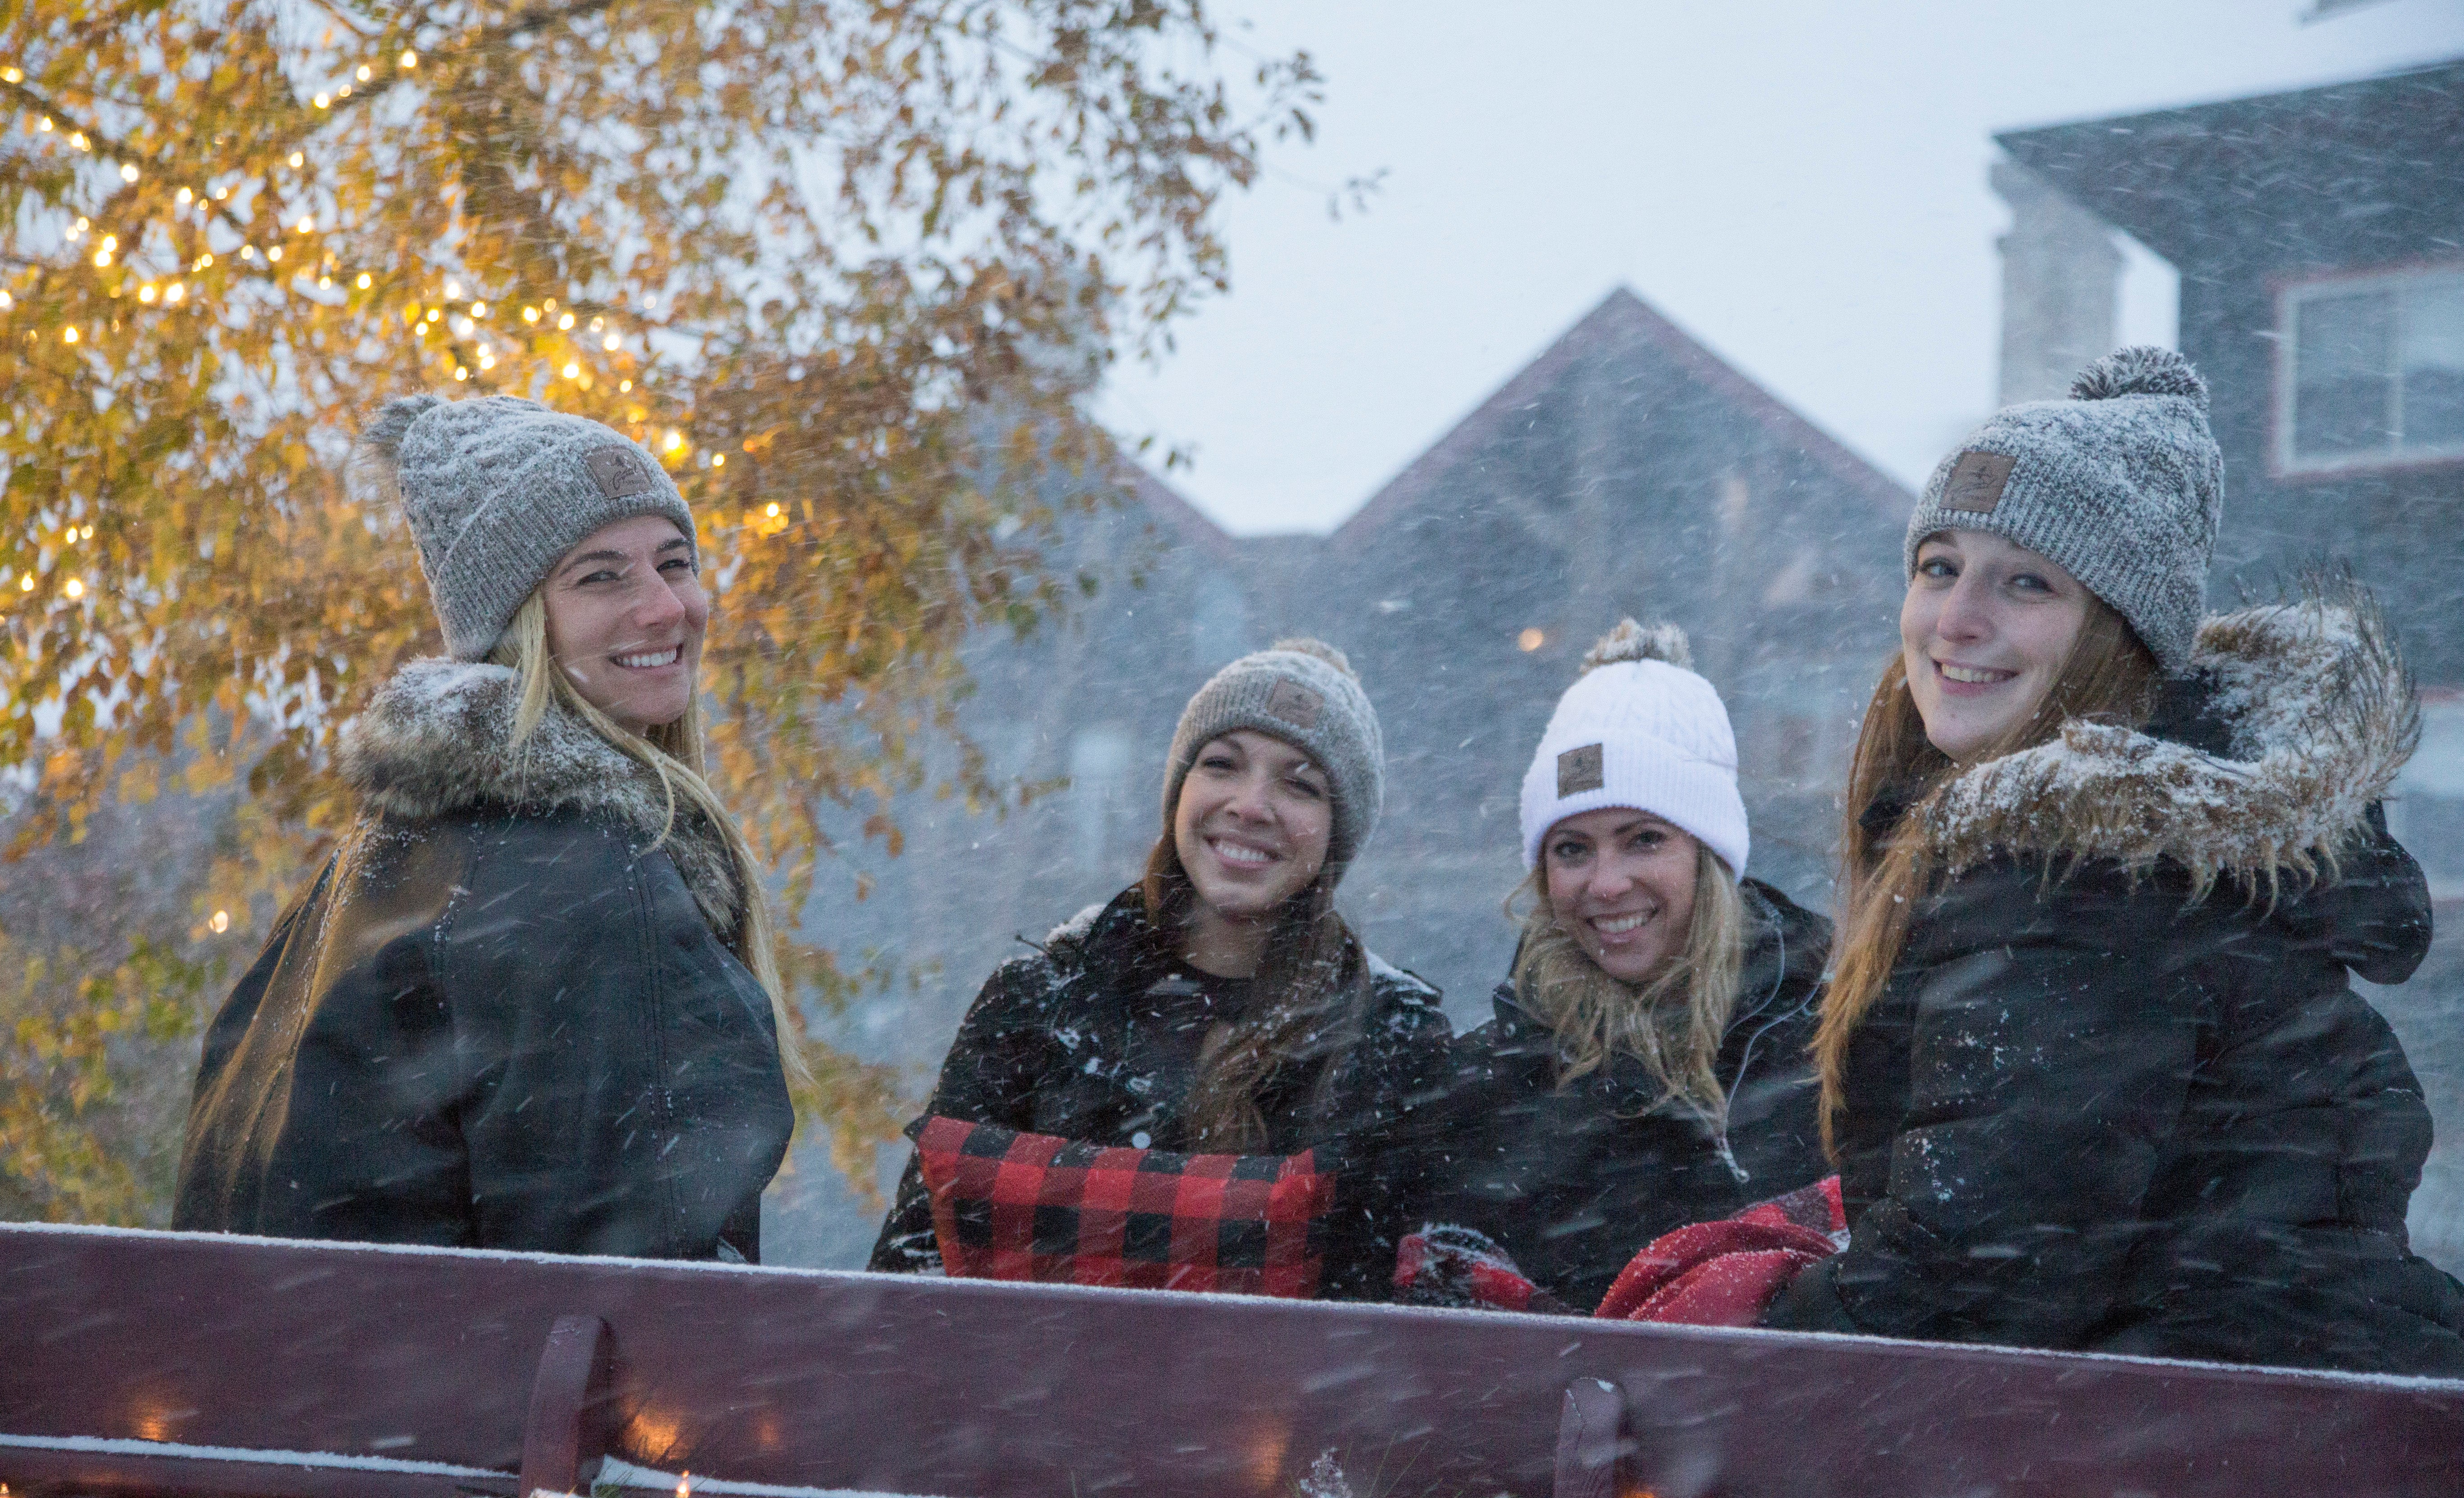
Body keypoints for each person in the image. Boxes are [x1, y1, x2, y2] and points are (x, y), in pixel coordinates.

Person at [1763, 345, 2464, 1376]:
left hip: (2214, 1461)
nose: (1956, 619)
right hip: (2264, 1417)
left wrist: (1754, 1328)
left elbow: (1974, 1282)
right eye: (1939, 566)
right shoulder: (2121, 851)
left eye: (2026, 583)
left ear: (2116, 634)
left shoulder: (2084, 876)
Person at [175, 394, 798, 1261]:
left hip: (310, 1381)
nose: (666, 607)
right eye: (601, 575)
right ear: (513, 628)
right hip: (451, 1393)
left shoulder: (396, 857)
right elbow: (632, 1291)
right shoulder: (581, 882)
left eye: (675, 562)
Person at [868, 639, 1453, 1299]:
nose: (1251, 805)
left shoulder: (1393, 1040)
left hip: (1282, 1402)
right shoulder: (1037, 1004)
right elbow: (912, 1273)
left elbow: (1396, 1320)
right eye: (1222, 765)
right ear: (1179, 793)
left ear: (1336, 833)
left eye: (1300, 784)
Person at [1400, 620, 1831, 1313]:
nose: (1606, 885)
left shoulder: (1831, 1047)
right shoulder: (1485, 1086)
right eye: (1573, 849)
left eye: (1644, 840)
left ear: (1709, 854)